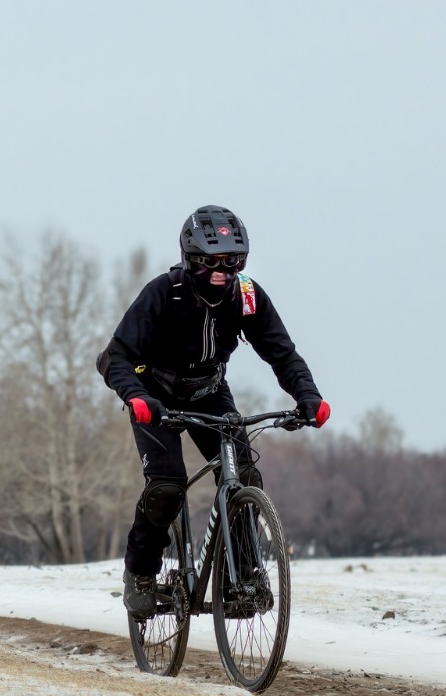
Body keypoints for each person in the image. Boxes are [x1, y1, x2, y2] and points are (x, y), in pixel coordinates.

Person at [98, 205, 330, 618]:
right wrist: (135, 395)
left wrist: (308, 397)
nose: (222, 272)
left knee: (244, 475)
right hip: (154, 396)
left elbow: (282, 354)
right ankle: (141, 572)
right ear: (190, 260)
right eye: (211, 263)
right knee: (167, 487)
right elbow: (115, 358)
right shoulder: (164, 293)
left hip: (209, 391)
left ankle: (240, 577)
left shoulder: (247, 297)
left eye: (232, 262)